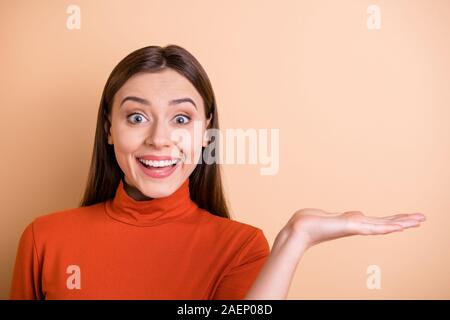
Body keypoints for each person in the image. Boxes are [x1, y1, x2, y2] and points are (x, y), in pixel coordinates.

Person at [9, 44, 426, 300]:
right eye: (136, 117)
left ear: (205, 132)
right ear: (108, 130)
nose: (159, 139)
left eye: (181, 119)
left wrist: (294, 239)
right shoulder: (45, 238)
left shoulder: (240, 247)